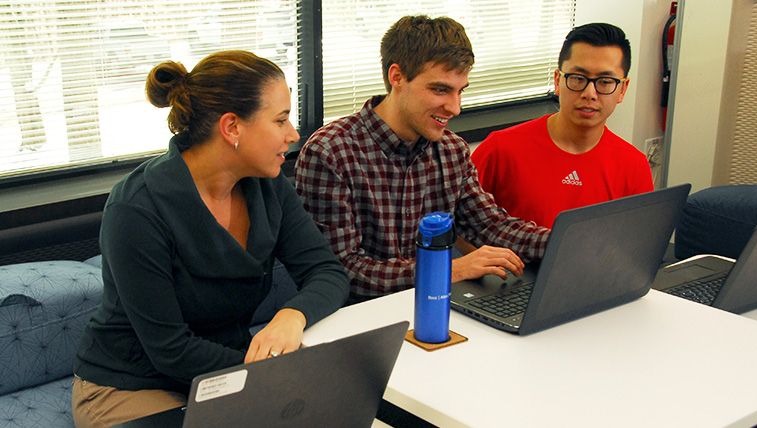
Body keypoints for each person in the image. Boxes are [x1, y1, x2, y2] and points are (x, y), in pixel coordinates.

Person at [72, 51, 349, 428]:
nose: (293, 134)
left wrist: (292, 315)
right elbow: (170, 350)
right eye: (281, 119)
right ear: (232, 127)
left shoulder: (268, 186)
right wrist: (279, 374)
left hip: (224, 372)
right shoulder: (136, 208)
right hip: (132, 384)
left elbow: (327, 272)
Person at [294, 15, 550, 304]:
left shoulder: (452, 150)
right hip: (363, 317)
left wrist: (567, 242)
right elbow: (342, 271)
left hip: (435, 304)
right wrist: (448, 270)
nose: (455, 108)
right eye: (440, 90)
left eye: (460, 91)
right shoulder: (329, 152)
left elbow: (490, 227)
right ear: (397, 77)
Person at [471, 23, 654, 229]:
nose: (589, 93)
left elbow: (637, 239)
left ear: (622, 89)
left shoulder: (634, 166)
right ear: (558, 81)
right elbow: (457, 226)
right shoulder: (500, 148)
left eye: (605, 81)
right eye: (578, 78)